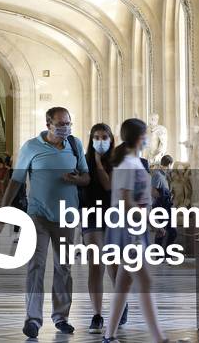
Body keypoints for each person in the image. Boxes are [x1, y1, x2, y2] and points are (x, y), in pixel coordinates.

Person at [1, 106, 89, 339]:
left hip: (66, 216)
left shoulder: (75, 145)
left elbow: (86, 177)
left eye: (68, 123)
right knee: (36, 266)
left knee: (64, 267)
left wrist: (76, 179)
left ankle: (61, 317)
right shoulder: (31, 147)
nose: (65, 128)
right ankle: (32, 319)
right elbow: (16, 180)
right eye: (61, 124)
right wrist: (3, 209)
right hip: (37, 215)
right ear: (48, 124)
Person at [102, 118, 174, 343]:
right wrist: (150, 221)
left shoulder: (131, 161)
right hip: (128, 228)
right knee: (146, 282)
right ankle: (159, 338)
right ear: (140, 137)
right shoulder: (126, 165)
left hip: (133, 226)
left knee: (124, 284)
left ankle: (109, 335)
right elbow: (125, 201)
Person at [81, 123, 127, 334]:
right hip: (91, 213)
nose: (100, 141)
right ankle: (97, 314)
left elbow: (109, 185)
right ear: (91, 139)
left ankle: (121, 303)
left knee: (113, 264)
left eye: (104, 136)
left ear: (111, 138)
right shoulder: (83, 159)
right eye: (96, 137)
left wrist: (99, 164)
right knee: (95, 264)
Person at [151, 154, 176, 248]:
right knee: (161, 232)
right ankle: (159, 255)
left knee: (171, 231)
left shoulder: (166, 176)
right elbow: (153, 191)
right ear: (169, 164)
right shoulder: (157, 175)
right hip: (160, 206)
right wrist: (164, 197)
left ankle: (166, 255)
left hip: (167, 206)